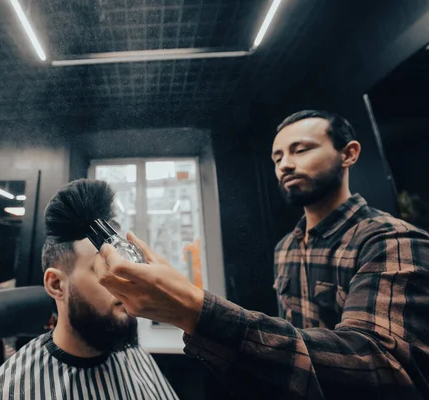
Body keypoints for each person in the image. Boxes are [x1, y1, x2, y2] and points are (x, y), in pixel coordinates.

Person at [95, 110, 429, 399]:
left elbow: (384, 371)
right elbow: (294, 351)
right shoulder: (286, 247)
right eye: (278, 157)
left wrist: (195, 309)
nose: (286, 164)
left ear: (349, 154)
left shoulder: (391, 241)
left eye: (301, 150)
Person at [0, 179, 178, 399]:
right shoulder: (6, 392)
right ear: (56, 285)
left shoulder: (136, 357)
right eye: (104, 267)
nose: (126, 283)